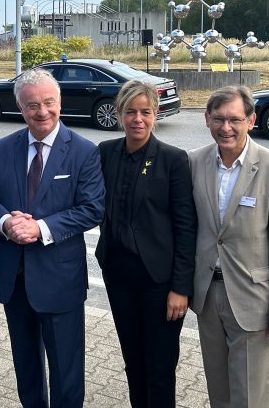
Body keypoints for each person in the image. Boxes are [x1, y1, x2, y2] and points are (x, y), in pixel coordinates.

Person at [0, 69, 105, 408]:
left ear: (59, 101)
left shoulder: (83, 151)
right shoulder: (4, 148)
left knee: (66, 372)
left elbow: (92, 209)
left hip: (59, 281)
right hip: (15, 280)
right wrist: (6, 222)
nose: (42, 111)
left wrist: (40, 228)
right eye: (32, 105)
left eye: (49, 102)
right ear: (19, 106)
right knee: (27, 367)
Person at [188, 85, 269, 408]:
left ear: (251, 121)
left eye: (235, 120)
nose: (226, 128)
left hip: (253, 301)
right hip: (208, 296)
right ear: (207, 119)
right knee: (218, 391)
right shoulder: (195, 162)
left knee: (249, 396)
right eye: (219, 119)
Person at [95, 80, 197, 407]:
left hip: (161, 282)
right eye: (130, 112)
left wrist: (181, 287)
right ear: (118, 114)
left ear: (156, 114)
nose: (138, 119)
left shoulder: (173, 160)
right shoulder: (105, 153)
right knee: (133, 360)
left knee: (160, 365)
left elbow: (186, 227)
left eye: (145, 112)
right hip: (119, 276)